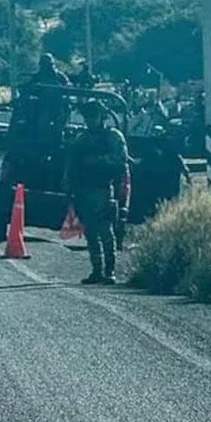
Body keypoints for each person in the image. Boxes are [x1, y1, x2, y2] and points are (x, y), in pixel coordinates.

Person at [64, 101, 129, 285]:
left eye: (93, 116)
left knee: (105, 231)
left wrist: (96, 160)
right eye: (87, 117)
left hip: (104, 189)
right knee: (91, 233)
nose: (90, 121)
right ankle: (97, 270)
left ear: (102, 117)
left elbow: (121, 160)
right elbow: (71, 164)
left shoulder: (113, 137)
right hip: (84, 190)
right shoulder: (81, 139)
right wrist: (68, 186)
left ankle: (110, 271)